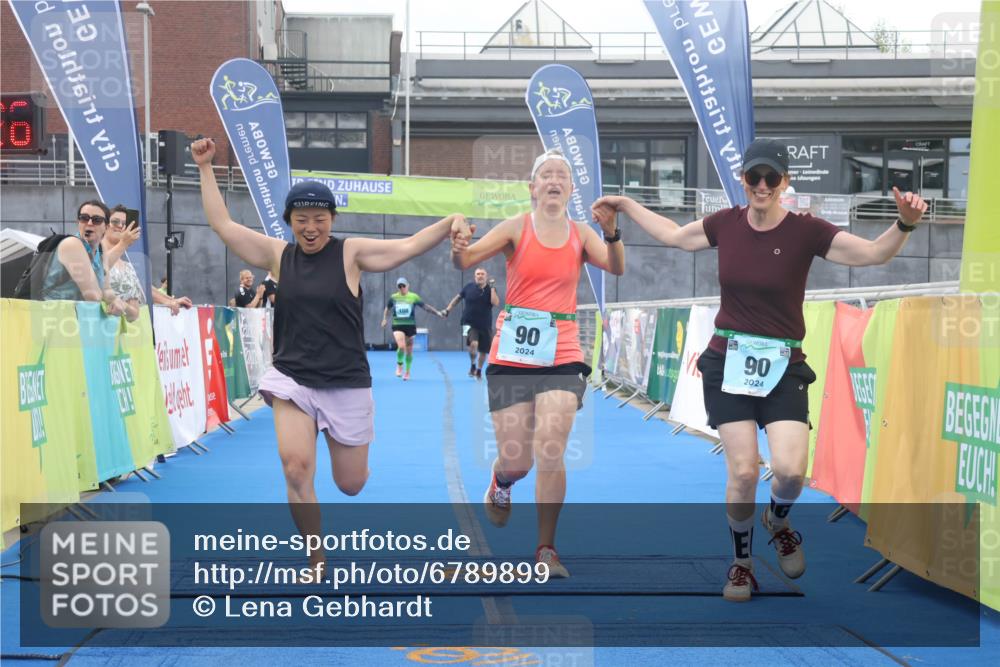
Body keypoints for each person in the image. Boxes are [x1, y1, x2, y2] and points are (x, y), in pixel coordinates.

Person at [592, 137, 927, 602]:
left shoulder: (807, 231)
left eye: (772, 177)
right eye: (755, 177)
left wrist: (904, 224)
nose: (763, 185)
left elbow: (872, 254)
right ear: (743, 180)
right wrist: (626, 203)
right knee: (745, 469)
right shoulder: (726, 224)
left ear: (785, 182)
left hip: (784, 363)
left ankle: (779, 519)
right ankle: (742, 563)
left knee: (790, 471)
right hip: (727, 361)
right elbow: (672, 235)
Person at [193, 137, 468, 574]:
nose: (311, 228)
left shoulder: (351, 253)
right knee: (296, 468)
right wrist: (206, 168)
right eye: (301, 219)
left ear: (332, 219)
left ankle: (347, 457)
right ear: (289, 222)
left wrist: (450, 220)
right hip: (293, 379)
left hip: (346, 382)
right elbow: (224, 225)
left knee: (351, 483)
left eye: (319, 219)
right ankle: (316, 556)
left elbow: (409, 246)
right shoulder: (277, 255)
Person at [451, 148, 625, 577]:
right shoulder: (516, 228)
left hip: (562, 352)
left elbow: (616, 267)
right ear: (532, 188)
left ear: (569, 188)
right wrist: (459, 244)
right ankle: (502, 481)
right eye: (545, 174)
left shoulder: (582, 233)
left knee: (551, 446)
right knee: (517, 460)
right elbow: (466, 260)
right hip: (513, 352)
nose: (553, 180)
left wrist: (613, 234)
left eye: (561, 175)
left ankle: (546, 548)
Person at [38, 199, 128, 315]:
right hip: (52, 317)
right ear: (78, 222)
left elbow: (106, 290)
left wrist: (116, 301)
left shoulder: (101, 248)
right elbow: (93, 295)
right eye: (84, 218)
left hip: (73, 319)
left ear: (106, 226)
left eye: (96, 220)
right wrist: (115, 303)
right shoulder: (72, 244)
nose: (89, 223)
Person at [104, 205, 194, 319]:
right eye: (115, 222)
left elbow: (142, 287)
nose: (120, 226)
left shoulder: (128, 267)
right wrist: (123, 243)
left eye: (125, 223)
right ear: (105, 225)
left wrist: (170, 301)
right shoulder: (94, 254)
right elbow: (97, 269)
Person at [380, 277, 444, 381]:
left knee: (409, 352)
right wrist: (384, 319)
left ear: (407, 286)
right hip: (397, 325)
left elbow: (425, 307)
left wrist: (437, 312)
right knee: (401, 346)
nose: (401, 288)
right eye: (399, 286)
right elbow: (387, 308)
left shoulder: (413, 297)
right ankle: (400, 365)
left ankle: (407, 372)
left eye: (403, 286)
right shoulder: (394, 297)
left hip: (410, 327)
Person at [443, 267, 500, 379]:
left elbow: (495, 302)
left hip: (485, 325)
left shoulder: (491, 289)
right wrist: (448, 309)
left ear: (486, 277)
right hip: (469, 323)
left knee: (483, 352)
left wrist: (492, 288)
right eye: (478, 274)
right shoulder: (468, 287)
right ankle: (472, 364)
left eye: (482, 274)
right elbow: (457, 299)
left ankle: (478, 370)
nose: (480, 276)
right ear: (475, 277)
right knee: (473, 344)